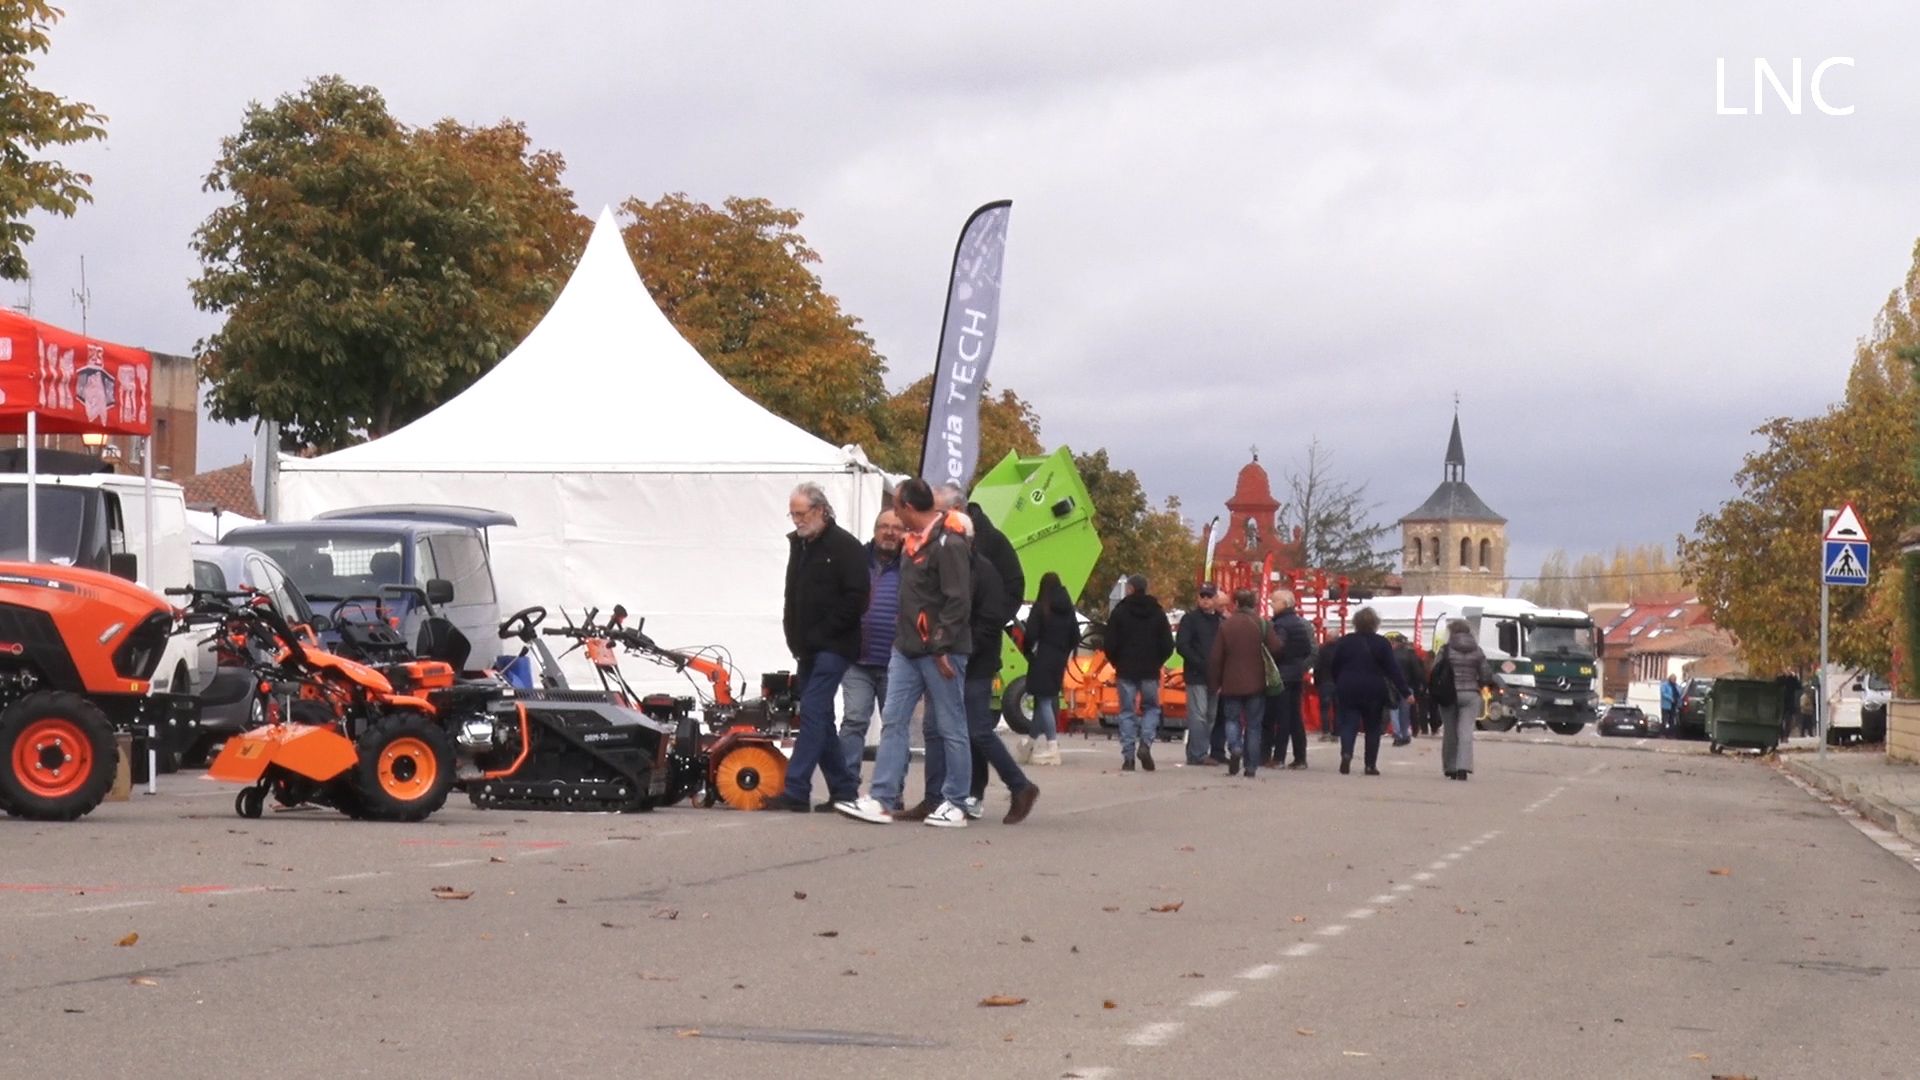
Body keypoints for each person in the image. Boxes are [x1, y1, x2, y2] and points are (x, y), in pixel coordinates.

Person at [838, 478, 975, 827]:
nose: (895, 516)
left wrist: (942, 644)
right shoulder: (913, 542)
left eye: (897, 507)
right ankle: (882, 799)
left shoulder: (948, 542)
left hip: (939, 650)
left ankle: (956, 802)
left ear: (909, 508)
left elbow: (958, 599)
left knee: (950, 725)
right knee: (894, 722)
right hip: (907, 648)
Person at [916, 540, 1040, 824]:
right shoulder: (959, 567)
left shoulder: (983, 570)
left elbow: (988, 621)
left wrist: (961, 650)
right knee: (937, 727)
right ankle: (937, 797)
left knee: (976, 729)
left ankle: (1019, 785)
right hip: (954, 657)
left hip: (974, 662)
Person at [766, 483, 869, 813]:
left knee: (812, 709)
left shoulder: (845, 547)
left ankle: (796, 788)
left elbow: (857, 598)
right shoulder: (800, 546)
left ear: (821, 510)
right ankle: (843, 788)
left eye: (801, 513)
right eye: (793, 513)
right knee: (820, 716)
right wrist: (793, 633)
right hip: (806, 646)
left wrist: (825, 632)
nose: (796, 520)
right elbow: (792, 594)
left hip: (834, 645)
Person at [837, 508, 905, 782]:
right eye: (883, 526)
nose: (889, 532)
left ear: (905, 533)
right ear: (875, 530)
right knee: (853, 722)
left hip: (898, 663)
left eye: (896, 527)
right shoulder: (856, 562)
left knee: (894, 727)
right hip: (857, 660)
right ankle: (845, 787)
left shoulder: (912, 565)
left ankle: (892, 791)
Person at [1325, 607, 1411, 776]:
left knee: (1349, 723)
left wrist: (1338, 682)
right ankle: (1370, 764)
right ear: (1375, 624)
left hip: (1348, 686)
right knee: (1372, 727)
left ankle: (1346, 753)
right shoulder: (1382, 643)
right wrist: (1405, 692)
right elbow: (1393, 669)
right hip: (1373, 688)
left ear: (1355, 623)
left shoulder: (1345, 641)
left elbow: (1334, 665)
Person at [1208, 588, 1285, 777]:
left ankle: (1235, 747)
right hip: (1257, 683)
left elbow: (1216, 658)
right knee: (1254, 725)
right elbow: (1277, 647)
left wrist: (1215, 683)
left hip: (1231, 682)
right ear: (1255, 604)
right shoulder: (1262, 624)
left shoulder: (1226, 626)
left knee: (1232, 720)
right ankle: (1251, 766)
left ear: (1235, 604)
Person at [1103, 574, 1174, 772]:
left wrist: (1117, 661)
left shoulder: (1120, 612)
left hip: (1125, 669)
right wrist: (1157, 661)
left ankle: (1128, 757)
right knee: (1151, 708)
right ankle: (1146, 743)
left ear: (1131, 588)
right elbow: (1168, 644)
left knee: (1127, 711)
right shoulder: (1158, 613)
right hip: (1150, 670)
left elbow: (1109, 643)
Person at [1020, 572, 1077, 766]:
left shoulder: (1041, 607)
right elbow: (1075, 636)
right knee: (1042, 700)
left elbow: (1030, 635)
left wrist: (1029, 651)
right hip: (1059, 659)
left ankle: (1053, 747)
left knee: (1044, 702)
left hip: (1042, 657)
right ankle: (1030, 742)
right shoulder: (1068, 610)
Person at [1436, 618, 1494, 780]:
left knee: (1450, 731)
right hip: (1470, 694)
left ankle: (1450, 767)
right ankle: (1463, 767)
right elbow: (1486, 674)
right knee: (1466, 731)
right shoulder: (1477, 650)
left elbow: (1436, 670)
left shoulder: (1445, 650)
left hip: (1448, 694)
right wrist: (1480, 683)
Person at [1174, 583, 1224, 766]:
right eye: (1202, 596)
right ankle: (1199, 754)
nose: (1205, 600)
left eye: (1209, 596)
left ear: (1215, 599)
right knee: (1199, 715)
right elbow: (1182, 645)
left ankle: (1196, 751)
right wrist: (1201, 664)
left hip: (1216, 676)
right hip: (1196, 675)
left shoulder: (1220, 621)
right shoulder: (1190, 619)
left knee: (1210, 716)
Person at [1271, 590, 1314, 768]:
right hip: (1296, 673)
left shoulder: (1280, 624)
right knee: (1296, 717)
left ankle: (1279, 757)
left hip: (1283, 674)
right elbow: (1307, 648)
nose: (1271, 604)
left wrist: (1273, 658)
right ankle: (1300, 757)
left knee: (1283, 717)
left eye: (1274, 601)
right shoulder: (1299, 623)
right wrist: (1298, 664)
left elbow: (1278, 647)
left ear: (1284, 603)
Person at [1388, 633, 1422, 747]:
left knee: (1394, 710)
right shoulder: (1411, 655)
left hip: (1392, 686)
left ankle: (1397, 735)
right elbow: (1417, 673)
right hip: (1407, 686)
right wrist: (1416, 686)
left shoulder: (1390, 654)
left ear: (1396, 643)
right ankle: (1405, 735)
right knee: (1404, 712)